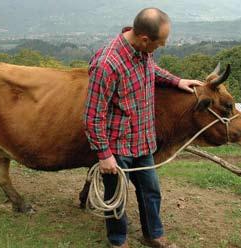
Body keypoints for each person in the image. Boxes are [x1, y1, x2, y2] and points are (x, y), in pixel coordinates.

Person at [84, 7, 202, 248]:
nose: (160, 47)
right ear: (145, 38)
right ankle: (117, 241)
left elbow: (151, 71)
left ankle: (153, 235)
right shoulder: (107, 65)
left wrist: (177, 81)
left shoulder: (142, 51)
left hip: (143, 140)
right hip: (118, 145)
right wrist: (105, 155)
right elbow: (92, 117)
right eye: (160, 43)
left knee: (151, 191)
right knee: (116, 197)